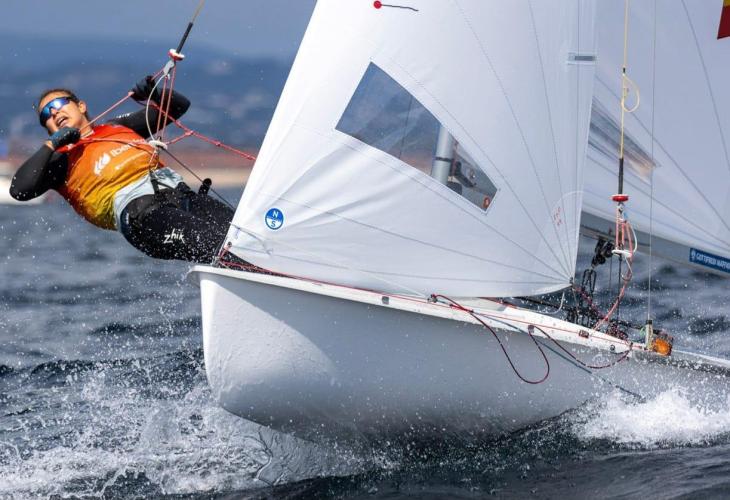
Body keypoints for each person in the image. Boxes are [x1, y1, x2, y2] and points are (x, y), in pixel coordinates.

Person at [10, 77, 235, 263]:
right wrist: (51, 145)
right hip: (144, 217)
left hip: (183, 196)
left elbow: (178, 106)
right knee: (215, 244)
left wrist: (154, 93)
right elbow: (19, 190)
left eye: (58, 103)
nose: (53, 112)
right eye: (45, 115)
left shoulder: (119, 127)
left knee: (241, 234)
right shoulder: (60, 161)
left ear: (81, 106)